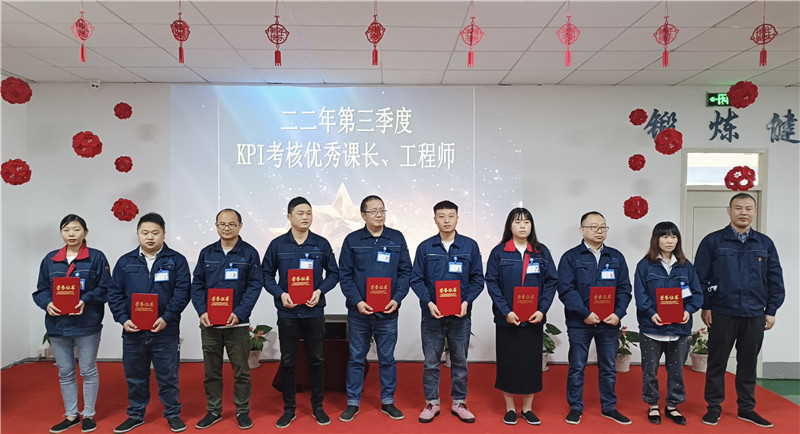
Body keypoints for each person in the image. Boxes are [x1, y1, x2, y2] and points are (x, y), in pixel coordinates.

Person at [695, 193, 785, 428]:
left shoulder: (764, 243)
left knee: (748, 364)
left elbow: (775, 278)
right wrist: (706, 305)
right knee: (717, 363)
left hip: (754, 314)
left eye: (748, 208)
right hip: (722, 312)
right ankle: (714, 407)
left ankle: (746, 408)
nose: (743, 212)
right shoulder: (713, 241)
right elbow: (700, 277)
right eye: (738, 208)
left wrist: (771, 310)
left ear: (755, 211)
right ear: (729, 210)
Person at [108, 212, 191, 434]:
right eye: (145, 233)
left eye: (155, 232)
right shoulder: (125, 262)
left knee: (168, 375)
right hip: (133, 331)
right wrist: (123, 319)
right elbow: (114, 293)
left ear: (164, 234)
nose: (150, 237)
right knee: (135, 375)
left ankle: (172, 414)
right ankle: (136, 414)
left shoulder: (177, 261)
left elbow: (182, 293)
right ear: (137, 234)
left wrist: (166, 318)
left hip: (165, 329)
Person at [262, 197, 339, 429]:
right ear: (289, 217)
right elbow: (266, 274)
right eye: (300, 213)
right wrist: (280, 294)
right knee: (288, 362)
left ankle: (318, 407)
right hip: (288, 313)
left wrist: (320, 290)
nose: (305, 217)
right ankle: (289, 409)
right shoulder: (277, 245)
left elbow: (334, 273)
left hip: (313, 312)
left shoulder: (321, 244)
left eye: (309, 213)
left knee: (317, 360)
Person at [33, 215, 112, 434]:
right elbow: (41, 289)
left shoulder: (96, 257)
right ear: (61, 232)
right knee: (65, 371)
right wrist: (47, 303)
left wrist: (85, 300)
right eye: (66, 229)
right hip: (58, 325)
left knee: (88, 369)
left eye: (76, 229)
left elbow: (106, 288)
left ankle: (89, 415)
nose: (71, 234)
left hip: (87, 324)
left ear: (85, 232)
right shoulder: (50, 259)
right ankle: (71, 415)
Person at [409, 200, 485, 424]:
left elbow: (478, 280)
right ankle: (431, 402)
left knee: (460, 361)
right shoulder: (425, 247)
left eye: (451, 216)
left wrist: (466, 301)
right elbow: (416, 279)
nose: (446, 220)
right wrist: (429, 302)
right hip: (432, 315)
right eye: (441, 216)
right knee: (431, 362)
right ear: (434, 219)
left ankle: (459, 402)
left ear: (457, 218)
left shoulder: (470, 246)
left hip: (460, 316)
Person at [338, 195, 412, 422]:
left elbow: (405, 271)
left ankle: (388, 401)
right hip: (359, 312)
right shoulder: (352, 240)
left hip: (388, 312)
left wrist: (397, 298)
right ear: (363, 215)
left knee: (387, 358)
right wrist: (358, 301)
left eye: (382, 210)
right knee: (356, 358)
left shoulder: (396, 238)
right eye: (373, 211)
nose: (379, 214)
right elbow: (345, 275)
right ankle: (352, 402)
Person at [557, 211, 632, 425]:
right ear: (582, 230)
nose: (599, 231)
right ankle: (575, 407)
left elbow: (624, 289)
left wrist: (618, 313)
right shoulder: (571, 257)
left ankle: (609, 407)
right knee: (577, 366)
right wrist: (585, 313)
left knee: (608, 367)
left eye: (603, 227)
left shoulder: (616, 257)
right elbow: (566, 290)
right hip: (580, 323)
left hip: (609, 323)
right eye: (593, 227)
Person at [484, 207, 558, 426]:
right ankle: (509, 408)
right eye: (517, 222)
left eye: (526, 221)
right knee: (508, 363)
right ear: (510, 226)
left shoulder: (541, 252)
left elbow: (551, 281)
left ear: (531, 225)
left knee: (530, 364)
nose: (522, 225)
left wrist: (542, 310)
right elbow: (492, 283)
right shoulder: (499, 252)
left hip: (533, 319)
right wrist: (506, 311)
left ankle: (527, 408)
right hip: (507, 319)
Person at [190, 209, 263, 430]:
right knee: (211, 371)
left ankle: (242, 410)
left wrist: (239, 312)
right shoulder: (206, 253)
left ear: (240, 226)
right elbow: (197, 284)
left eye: (232, 224)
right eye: (222, 224)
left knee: (241, 371)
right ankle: (213, 410)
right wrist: (202, 311)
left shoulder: (249, 253)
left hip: (237, 324)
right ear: (216, 226)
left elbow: (255, 285)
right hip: (210, 324)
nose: (227, 228)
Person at [633, 222, 703, 426]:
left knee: (677, 371)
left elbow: (696, 294)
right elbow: (640, 296)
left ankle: (673, 405)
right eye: (665, 236)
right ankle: (652, 405)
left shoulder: (686, 266)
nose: (669, 240)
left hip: (679, 329)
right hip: (652, 329)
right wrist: (652, 313)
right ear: (656, 239)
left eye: (673, 236)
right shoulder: (645, 265)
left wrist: (688, 311)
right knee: (650, 371)